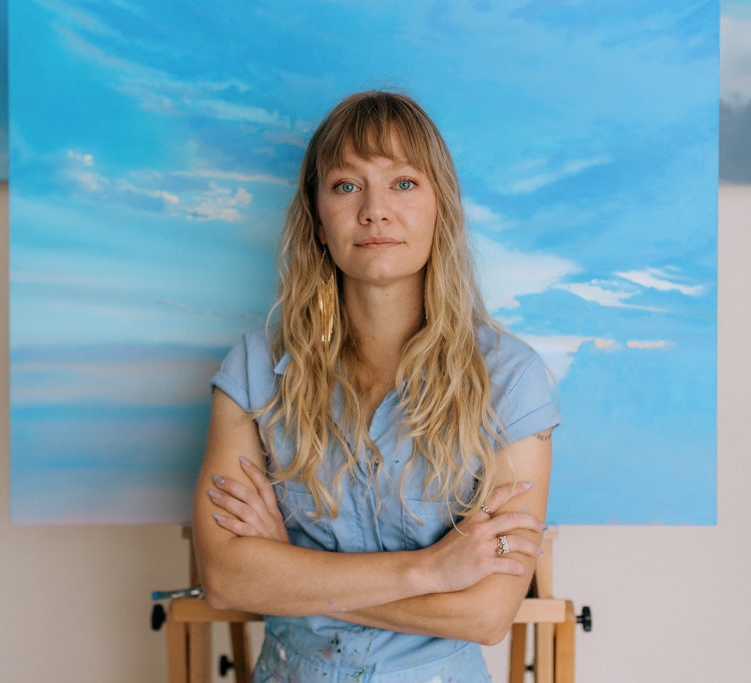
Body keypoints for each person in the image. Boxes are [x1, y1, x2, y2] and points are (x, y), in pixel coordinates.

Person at [192, 91, 561, 682]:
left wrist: (291, 571)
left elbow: (486, 614)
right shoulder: (255, 368)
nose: (375, 210)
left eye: (404, 183)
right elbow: (226, 579)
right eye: (346, 186)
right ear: (317, 218)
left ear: (443, 207)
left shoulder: (511, 379)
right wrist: (429, 572)